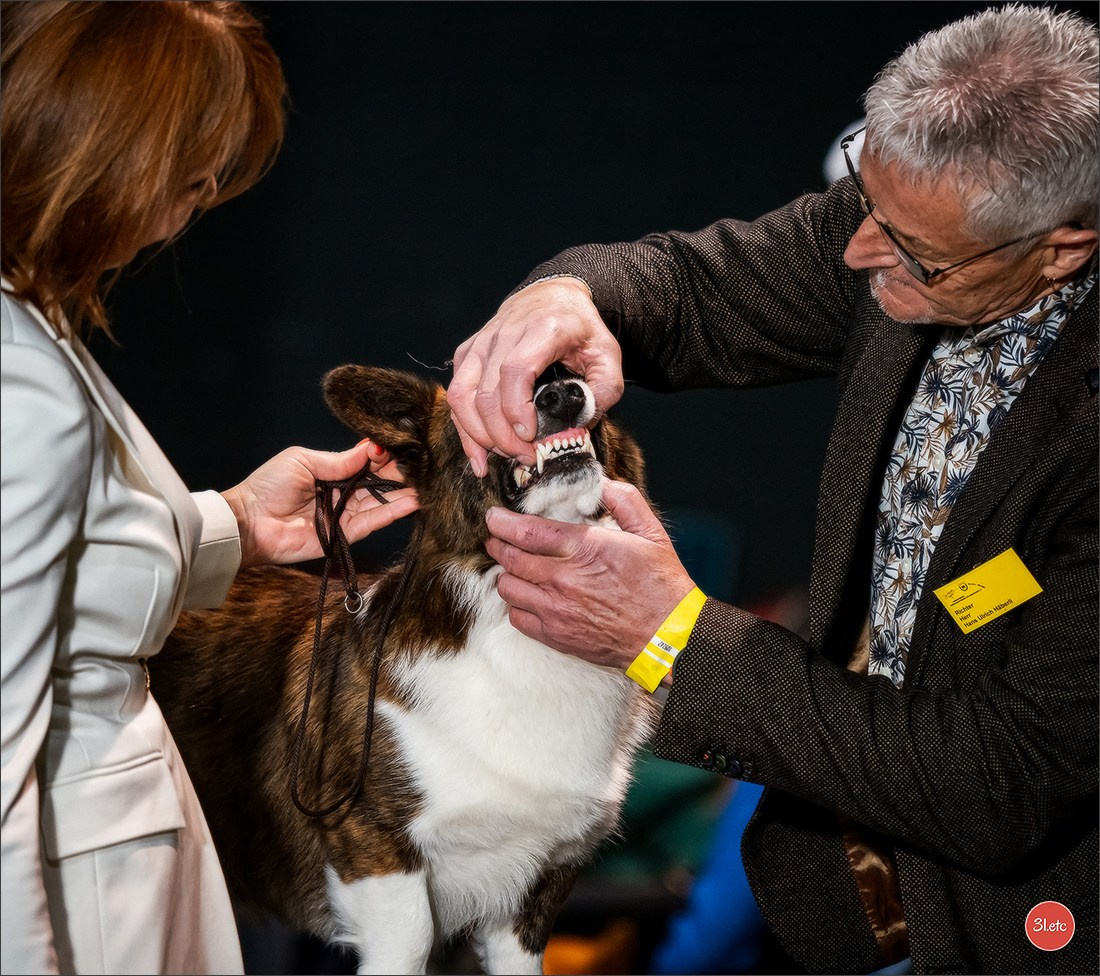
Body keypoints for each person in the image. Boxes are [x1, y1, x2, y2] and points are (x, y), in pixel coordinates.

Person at [445, 5, 1098, 974]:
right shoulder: (916, 220)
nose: (855, 252)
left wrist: (669, 632)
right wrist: (567, 299)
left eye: (910, 250)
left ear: (1061, 249)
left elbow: (992, 784)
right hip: (850, 898)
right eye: (863, 197)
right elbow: (698, 289)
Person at [0, 4, 417, 974]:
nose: (186, 212)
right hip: (73, 883)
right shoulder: (23, 377)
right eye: (187, 179)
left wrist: (228, 524)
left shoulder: (31, 332)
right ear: (92, 145)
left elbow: (58, 571)